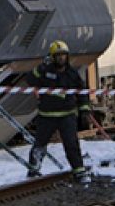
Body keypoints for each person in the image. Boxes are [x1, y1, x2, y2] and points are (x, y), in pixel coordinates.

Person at [25, 40, 100, 179]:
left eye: (63, 55)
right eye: (58, 55)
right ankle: (33, 170)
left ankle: (79, 171)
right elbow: (29, 80)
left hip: (67, 115)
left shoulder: (72, 74)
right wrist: (40, 68)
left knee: (72, 144)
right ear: (52, 57)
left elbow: (82, 91)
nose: (61, 58)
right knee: (39, 146)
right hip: (46, 115)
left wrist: (84, 109)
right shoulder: (44, 71)